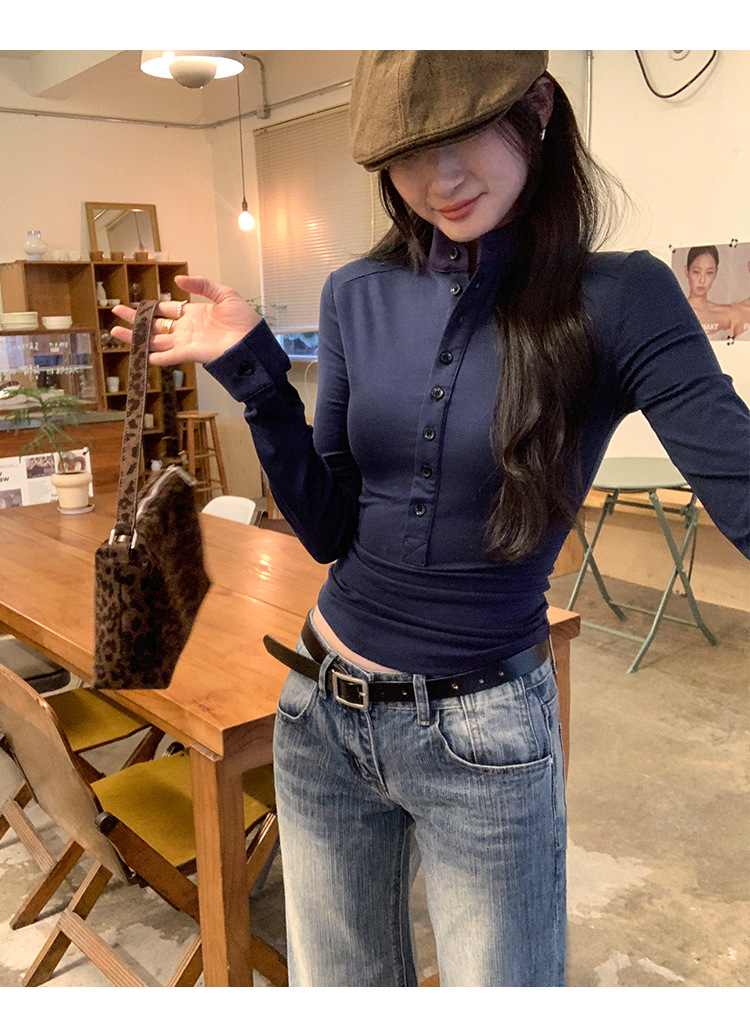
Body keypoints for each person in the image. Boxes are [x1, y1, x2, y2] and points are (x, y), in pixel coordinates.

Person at [112, 51, 750, 987]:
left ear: (536, 108)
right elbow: (327, 529)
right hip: (319, 709)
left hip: (483, 735)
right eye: (408, 154)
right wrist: (256, 375)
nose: (438, 179)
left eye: (463, 137)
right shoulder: (356, 293)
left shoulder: (621, 298)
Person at [684, 244, 733, 338]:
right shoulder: (676, 313)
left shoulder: (727, 314)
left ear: (716, 273)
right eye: (696, 272)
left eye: (709, 273)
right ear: (687, 271)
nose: (702, 280)